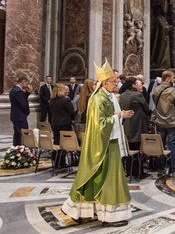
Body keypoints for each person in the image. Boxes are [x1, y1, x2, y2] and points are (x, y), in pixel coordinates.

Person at [61, 59, 135, 227]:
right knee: (107, 179)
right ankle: (108, 217)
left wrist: (118, 114)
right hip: (104, 146)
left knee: (96, 179)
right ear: (104, 83)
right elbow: (100, 125)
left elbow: (104, 117)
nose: (116, 84)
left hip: (108, 143)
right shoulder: (97, 99)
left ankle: (84, 211)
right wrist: (118, 116)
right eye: (114, 82)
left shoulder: (104, 97)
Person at [152, 70, 175, 176]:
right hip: (171, 121)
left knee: (160, 146)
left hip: (160, 121)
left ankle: (161, 167)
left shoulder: (156, 90)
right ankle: (173, 168)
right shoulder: (172, 91)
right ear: (168, 79)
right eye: (173, 77)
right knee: (172, 146)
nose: (174, 79)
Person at [120, 77, 151, 178]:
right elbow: (146, 108)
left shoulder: (122, 95)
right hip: (137, 125)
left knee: (129, 150)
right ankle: (138, 172)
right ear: (133, 85)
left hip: (125, 126)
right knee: (138, 150)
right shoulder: (138, 95)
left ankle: (129, 171)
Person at [49, 83, 75, 168]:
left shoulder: (52, 101)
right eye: (64, 89)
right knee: (64, 144)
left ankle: (57, 162)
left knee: (57, 143)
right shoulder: (65, 100)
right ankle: (63, 162)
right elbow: (71, 112)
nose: (65, 90)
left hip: (55, 124)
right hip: (65, 124)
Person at [9, 77, 31, 146]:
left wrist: (27, 93)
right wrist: (27, 112)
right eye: (26, 84)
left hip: (16, 115)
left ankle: (16, 150)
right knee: (22, 135)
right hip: (20, 116)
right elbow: (23, 103)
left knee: (17, 134)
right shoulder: (18, 91)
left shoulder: (14, 90)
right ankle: (21, 151)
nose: (27, 85)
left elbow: (21, 99)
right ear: (23, 82)